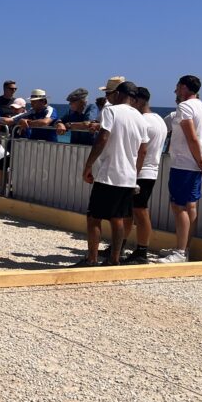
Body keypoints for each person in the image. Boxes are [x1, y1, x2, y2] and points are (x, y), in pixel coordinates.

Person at [75, 82, 149, 267]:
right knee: (117, 219)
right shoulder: (140, 118)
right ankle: (114, 260)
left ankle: (91, 259)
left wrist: (88, 165)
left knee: (93, 218)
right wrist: (135, 173)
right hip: (128, 177)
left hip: (109, 173)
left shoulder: (112, 111)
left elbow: (103, 138)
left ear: (117, 94)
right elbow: (143, 151)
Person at [159, 75, 202, 264]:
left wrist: (200, 161)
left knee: (178, 206)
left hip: (183, 163)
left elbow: (191, 137)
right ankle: (184, 248)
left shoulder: (184, 107)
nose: (175, 91)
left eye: (177, 87)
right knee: (191, 206)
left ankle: (180, 252)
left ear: (184, 87)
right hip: (195, 165)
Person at [122, 87, 168, 264]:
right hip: (150, 170)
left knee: (140, 212)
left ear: (138, 101)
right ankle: (124, 246)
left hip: (139, 171)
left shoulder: (142, 121)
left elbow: (139, 150)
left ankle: (142, 251)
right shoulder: (159, 120)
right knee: (130, 212)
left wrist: (131, 174)